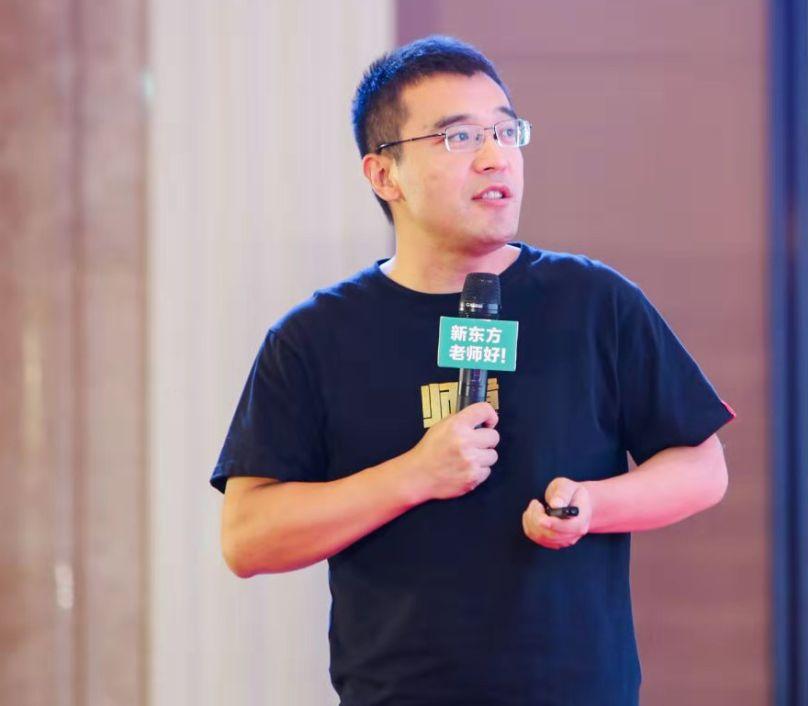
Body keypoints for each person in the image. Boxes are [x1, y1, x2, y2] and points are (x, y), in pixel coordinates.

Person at [212, 34, 736, 706]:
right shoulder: (314, 337)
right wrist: (413, 475)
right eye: (458, 138)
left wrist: (592, 506)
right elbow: (249, 538)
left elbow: (703, 468)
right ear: (384, 175)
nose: (496, 157)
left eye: (505, 131)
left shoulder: (594, 302)